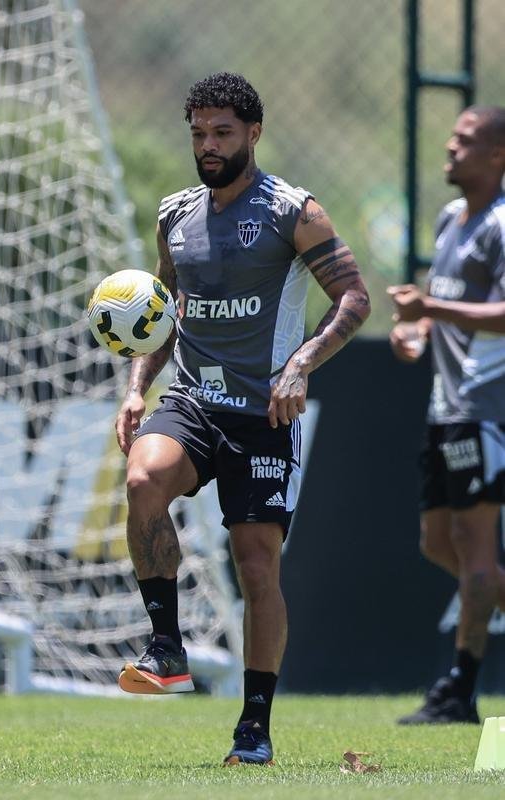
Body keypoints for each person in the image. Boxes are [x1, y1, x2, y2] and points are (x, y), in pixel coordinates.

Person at [115, 72, 370, 763]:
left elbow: (352, 297)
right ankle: (166, 649)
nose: (207, 145)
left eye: (222, 132)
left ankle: (253, 727)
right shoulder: (174, 214)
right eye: (197, 133)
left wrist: (300, 365)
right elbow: (159, 316)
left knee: (256, 569)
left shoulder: (294, 210)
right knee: (142, 483)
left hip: (262, 413)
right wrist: (138, 386)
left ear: (253, 133)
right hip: (192, 399)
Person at [388, 105, 505, 724]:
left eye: (466, 140)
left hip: (486, 407)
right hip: (446, 407)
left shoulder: (501, 224)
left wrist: (427, 305)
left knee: (475, 544)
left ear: (498, 156)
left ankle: (459, 690)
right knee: (437, 542)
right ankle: (460, 683)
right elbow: (443, 310)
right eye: (452, 136)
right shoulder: (449, 219)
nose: (450, 146)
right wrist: (418, 330)